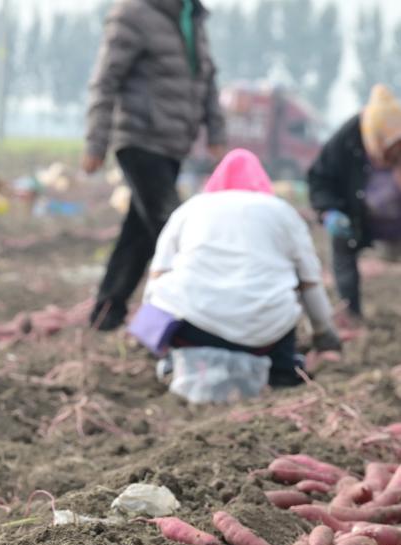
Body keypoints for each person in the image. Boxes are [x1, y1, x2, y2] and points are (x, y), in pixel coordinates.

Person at [82, 0, 227, 331]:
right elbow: (105, 79)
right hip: (139, 139)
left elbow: (207, 79)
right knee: (173, 227)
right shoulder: (133, 14)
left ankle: (107, 313)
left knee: (139, 234)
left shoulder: (192, 17)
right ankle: (196, 320)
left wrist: (216, 131)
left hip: (174, 144)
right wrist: (96, 142)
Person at [143, 149, 341, 390]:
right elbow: (310, 282)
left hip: (192, 332)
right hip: (263, 337)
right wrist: (325, 337)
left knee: (167, 290)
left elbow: (157, 277)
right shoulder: (281, 212)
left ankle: (172, 364)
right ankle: (281, 372)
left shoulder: (189, 210)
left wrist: (152, 340)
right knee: (284, 312)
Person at [308, 84, 401, 321]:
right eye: (388, 150)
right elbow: (319, 177)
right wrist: (328, 211)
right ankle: (351, 314)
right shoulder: (348, 138)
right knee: (342, 246)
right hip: (359, 217)